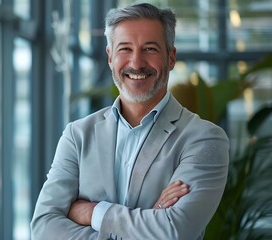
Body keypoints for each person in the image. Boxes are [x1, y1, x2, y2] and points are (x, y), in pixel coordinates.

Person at [31, 3, 229, 240]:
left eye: (150, 49)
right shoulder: (77, 135)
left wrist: (94, 212)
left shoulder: (204, 139)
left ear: (171, 57)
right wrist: (149, 221)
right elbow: (43, 228)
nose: (136, 62)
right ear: (110, 57)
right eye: (125, 48)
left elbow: (175, 231)